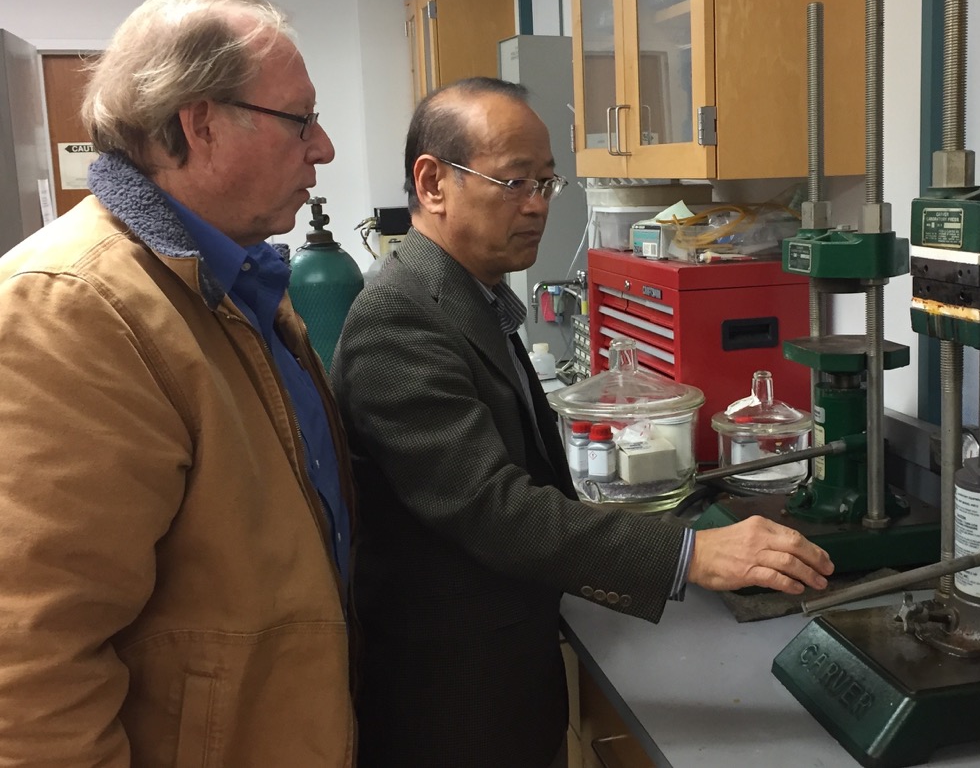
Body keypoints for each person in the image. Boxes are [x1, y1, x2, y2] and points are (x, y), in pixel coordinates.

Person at [331, 76, 835, 768]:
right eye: (515, 183)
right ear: (432, 182)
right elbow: (497, 509)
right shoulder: (399, 318)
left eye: (547, 183)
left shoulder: (467, 298)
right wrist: (693, 555)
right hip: (451, 707)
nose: (538, 206)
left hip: (504, 673)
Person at [0, 0, 355, 766]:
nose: (323, 148)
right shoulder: (73, 309)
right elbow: (29, 668)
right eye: (301, 120)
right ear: (200, 125)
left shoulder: (236, 279)